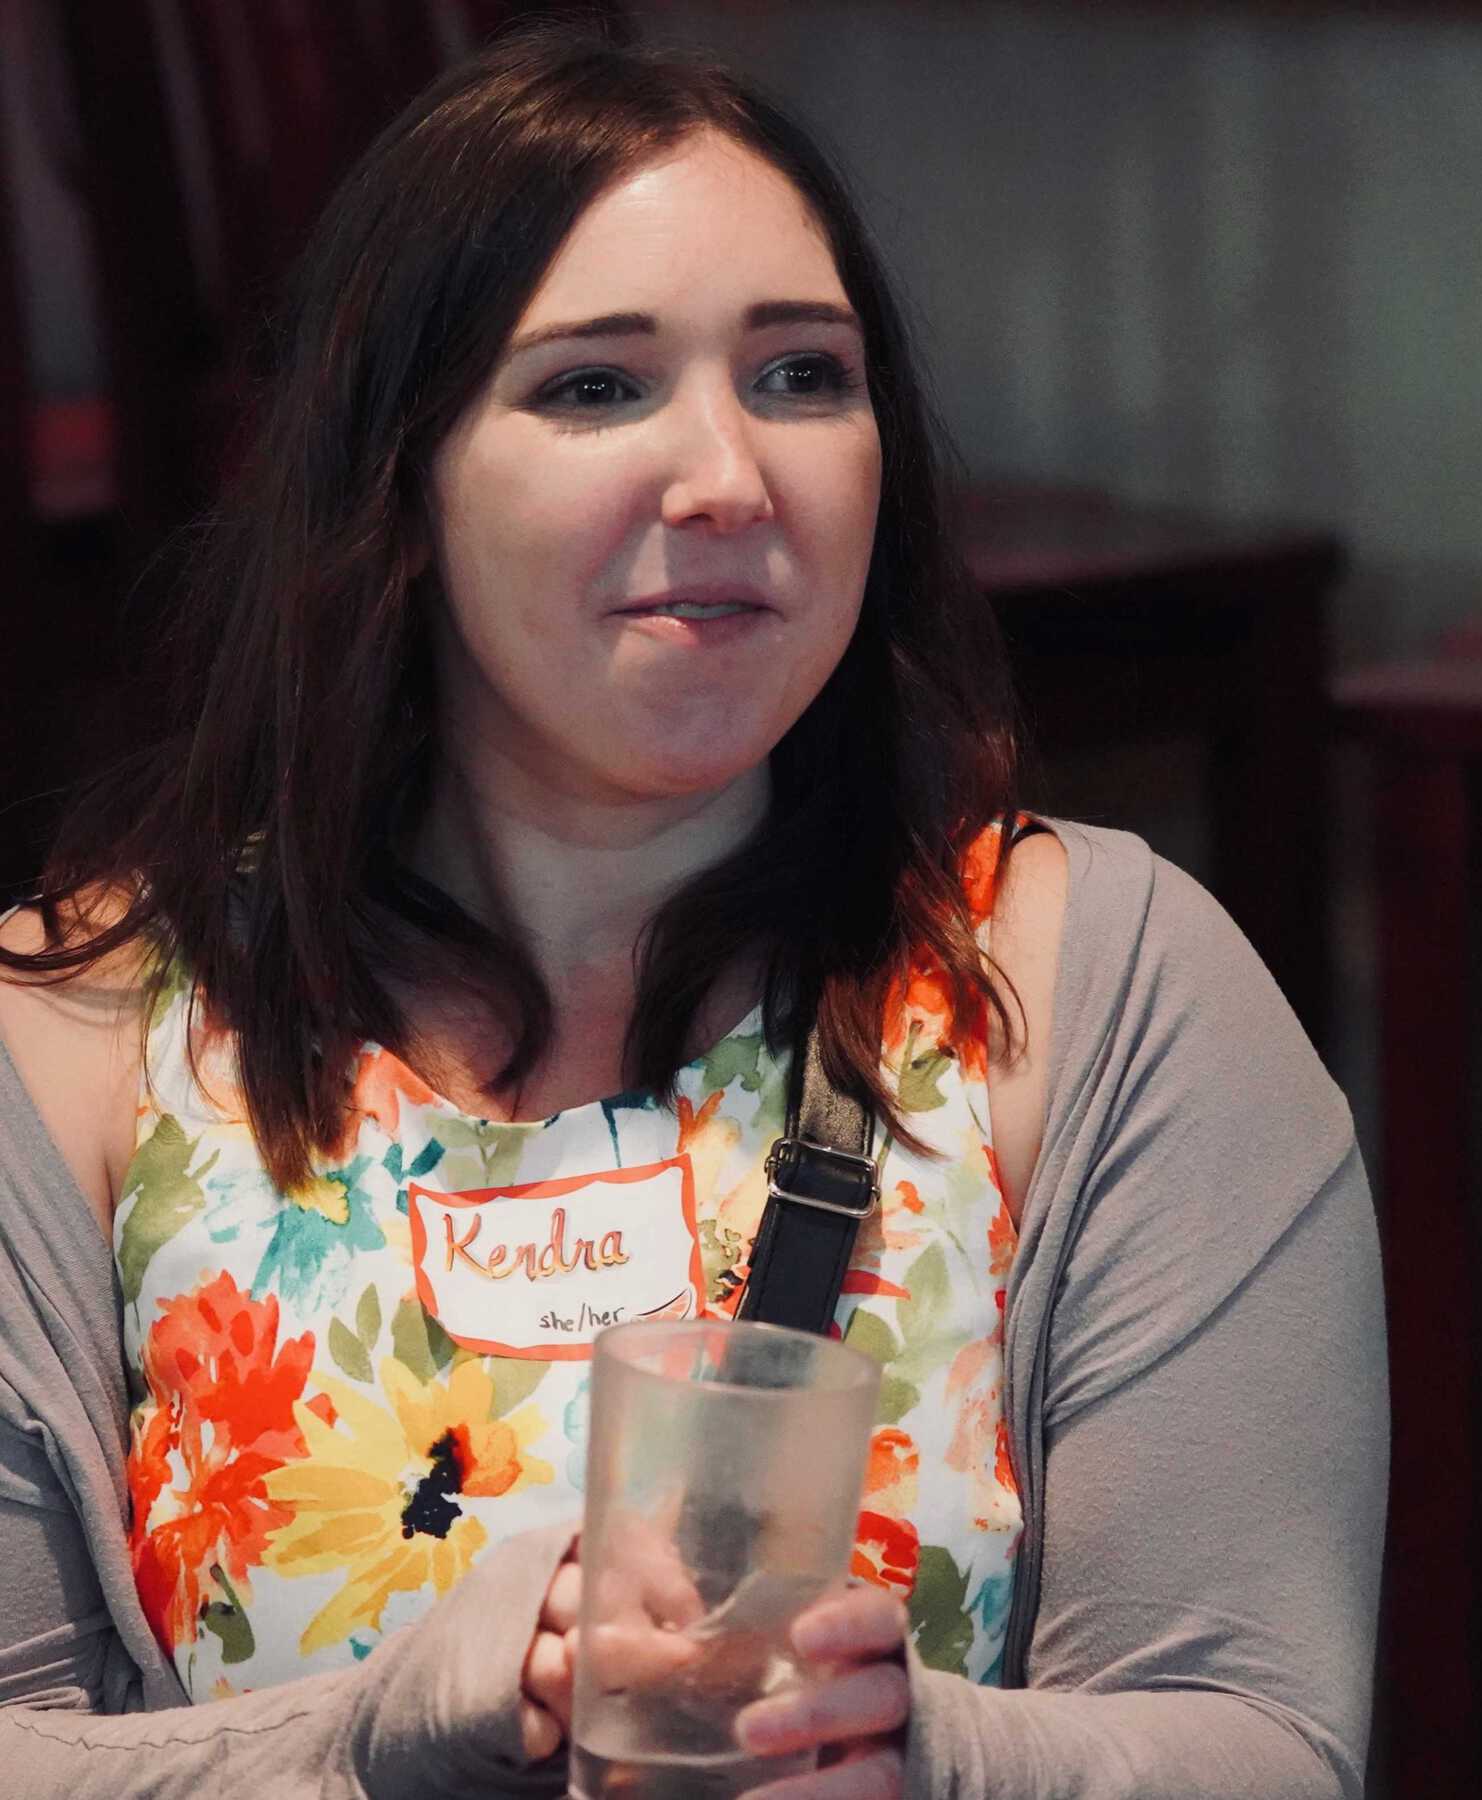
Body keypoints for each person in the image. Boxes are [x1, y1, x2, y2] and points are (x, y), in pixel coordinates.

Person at [0, 20, 1387, 1799]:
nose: (733, 475)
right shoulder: (86, 1036)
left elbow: (1263, 1746)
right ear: (396, 488)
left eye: (805, 376)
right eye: (596, 387)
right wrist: (392, 1731)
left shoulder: (1095, 990)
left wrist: (918, 1757)